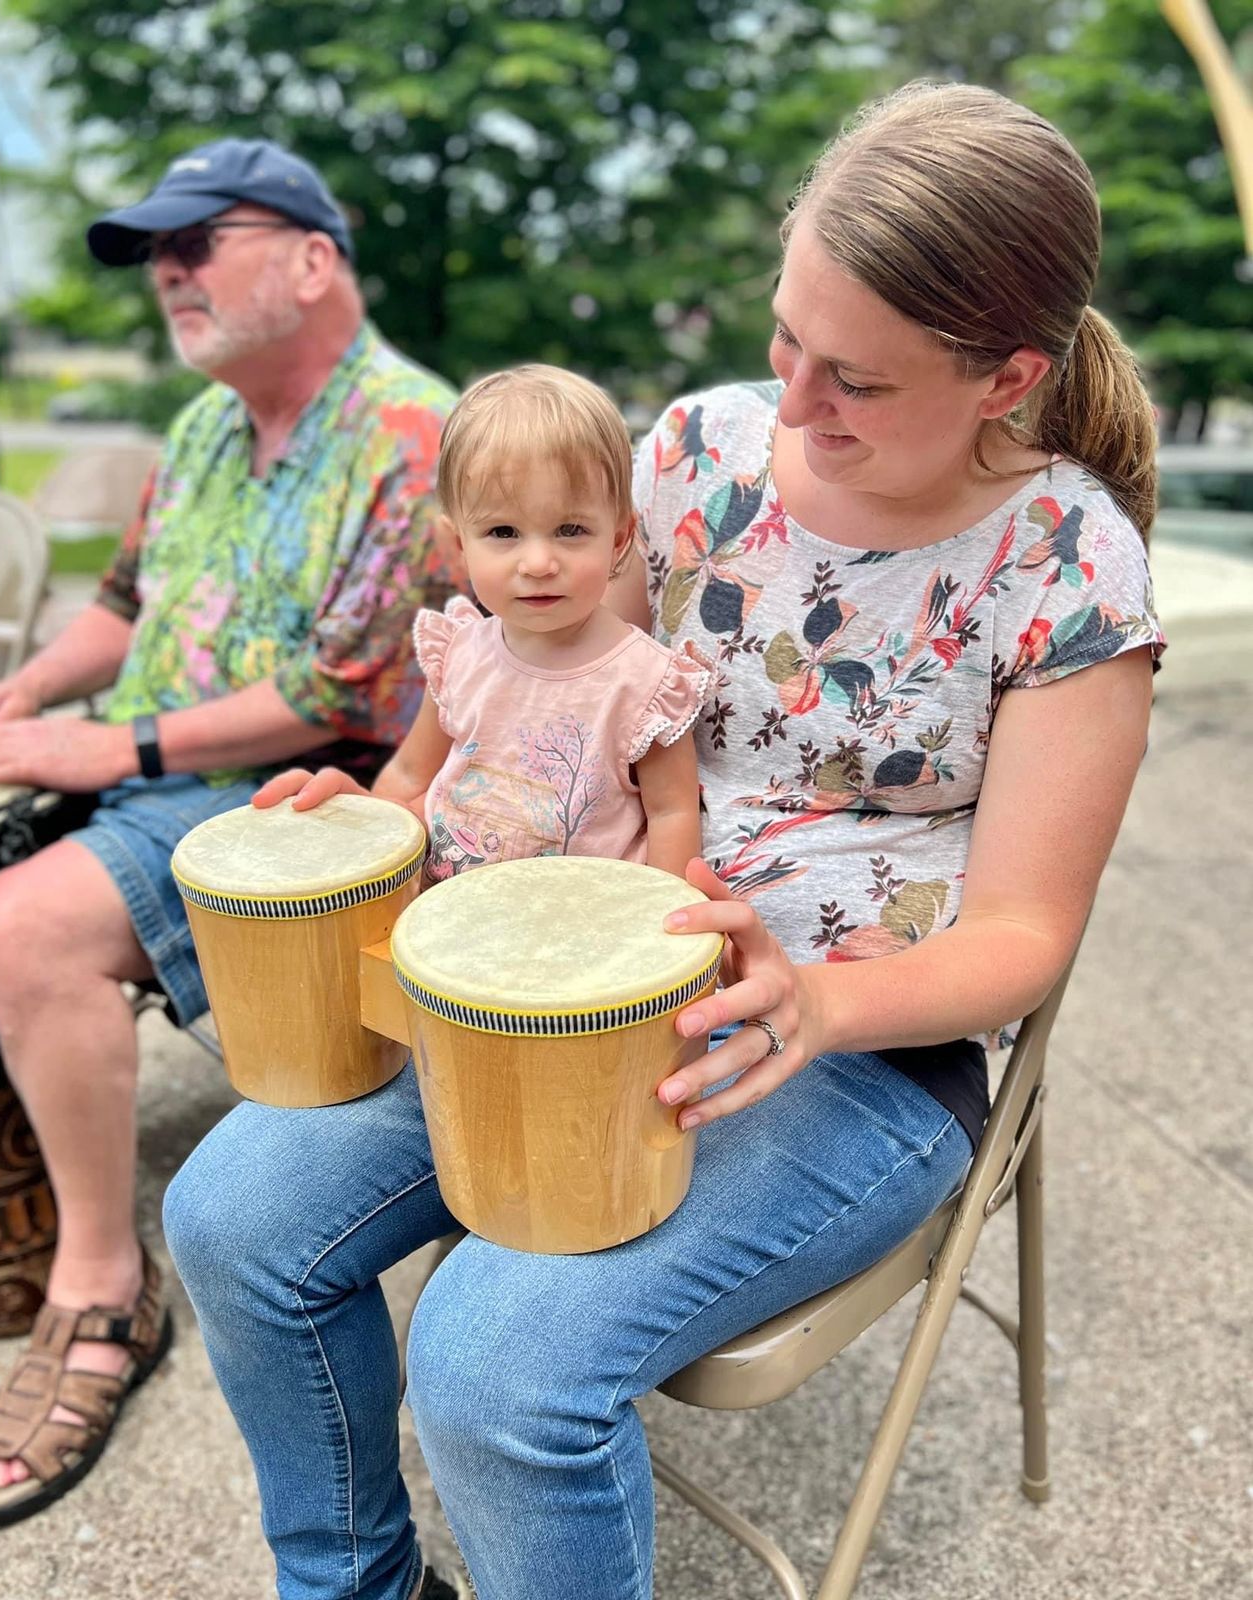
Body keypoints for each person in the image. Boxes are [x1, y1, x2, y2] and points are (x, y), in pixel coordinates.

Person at [162, 83, 1165, 1600]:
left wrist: (814, 1000)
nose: (793, 406)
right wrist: (386, 803)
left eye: (856, 381)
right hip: (561, 969)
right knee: (231, 1221)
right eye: (785, 339)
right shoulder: (698, 449)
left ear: (1006, 378)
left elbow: (1023, 938)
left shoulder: (1070, 565)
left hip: (847, 1045)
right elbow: (550, 693)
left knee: (493, 1366)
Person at [0, 137, 458, 1528]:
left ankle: (103, 1286)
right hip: (161, 766)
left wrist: (107, 747)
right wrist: (25, 694)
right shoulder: (201, 431)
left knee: (14, 925)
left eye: (195, 241)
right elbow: (120, 604)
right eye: (152, 253)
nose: (165, 271)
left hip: (309, 799)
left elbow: (345, 692)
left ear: (313, 259)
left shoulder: (414, 434)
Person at [266, 365, 713, 883]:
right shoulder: (460, 654)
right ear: (459, 546)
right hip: (442, 908)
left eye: (570, 529)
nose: (538, 563)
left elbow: (672, 813)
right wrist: (365, 829)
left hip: (576, 919)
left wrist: (662, 914)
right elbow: (410, 775)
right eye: (503, 532)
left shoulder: (648, 685)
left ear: (617, 540)